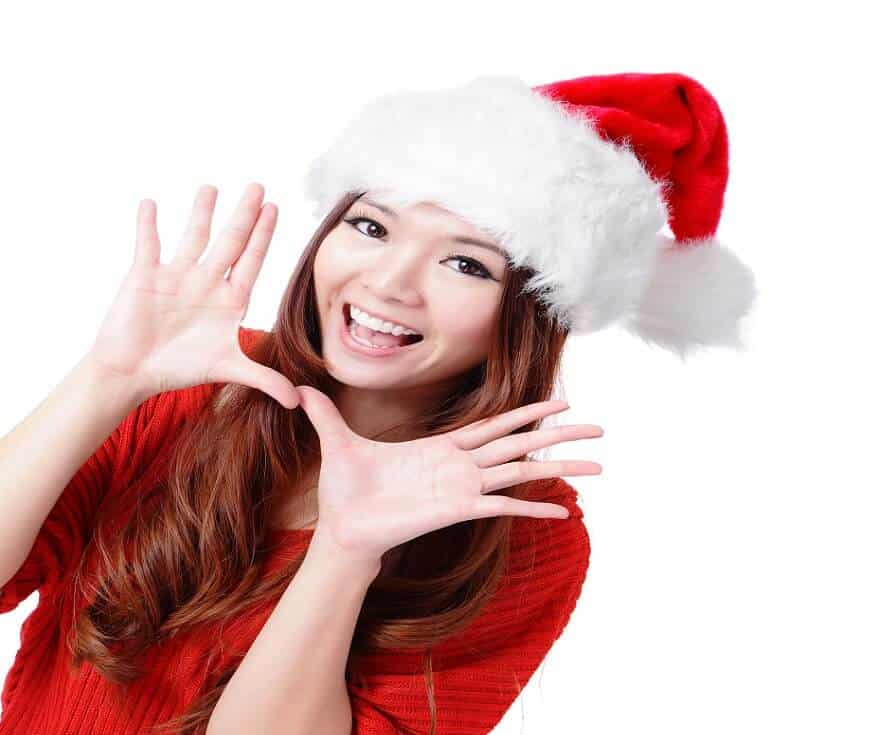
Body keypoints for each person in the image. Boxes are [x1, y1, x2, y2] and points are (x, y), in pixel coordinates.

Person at [0, 71, 756, 735]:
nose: (390, 282)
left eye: (465, 262)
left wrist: (345, 549)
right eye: (371, 225)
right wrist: (108, 377)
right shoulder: (201, 380)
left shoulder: (523, 535)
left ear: (525, 316)